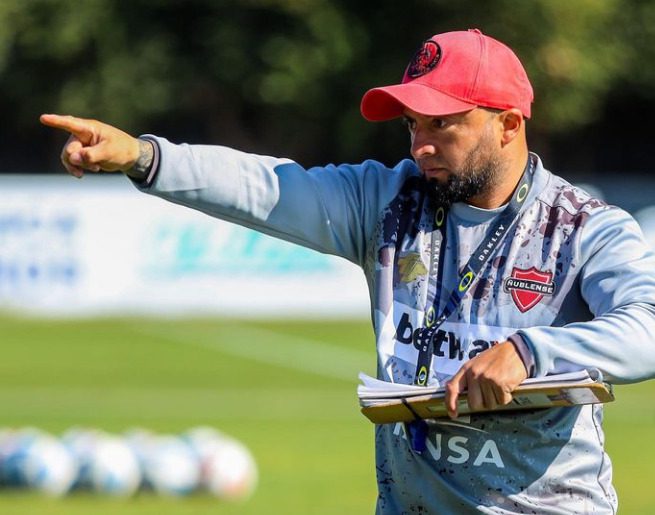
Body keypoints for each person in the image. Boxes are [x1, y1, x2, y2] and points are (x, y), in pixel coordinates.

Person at [41, 28, 655, 514]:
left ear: (509, 124)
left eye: (442, 124)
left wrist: (530, 352)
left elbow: (648, 328)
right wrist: (146, 157)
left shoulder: (586, 229)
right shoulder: (388, 201)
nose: (419, 146)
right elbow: (264, 186)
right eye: (413, 124)